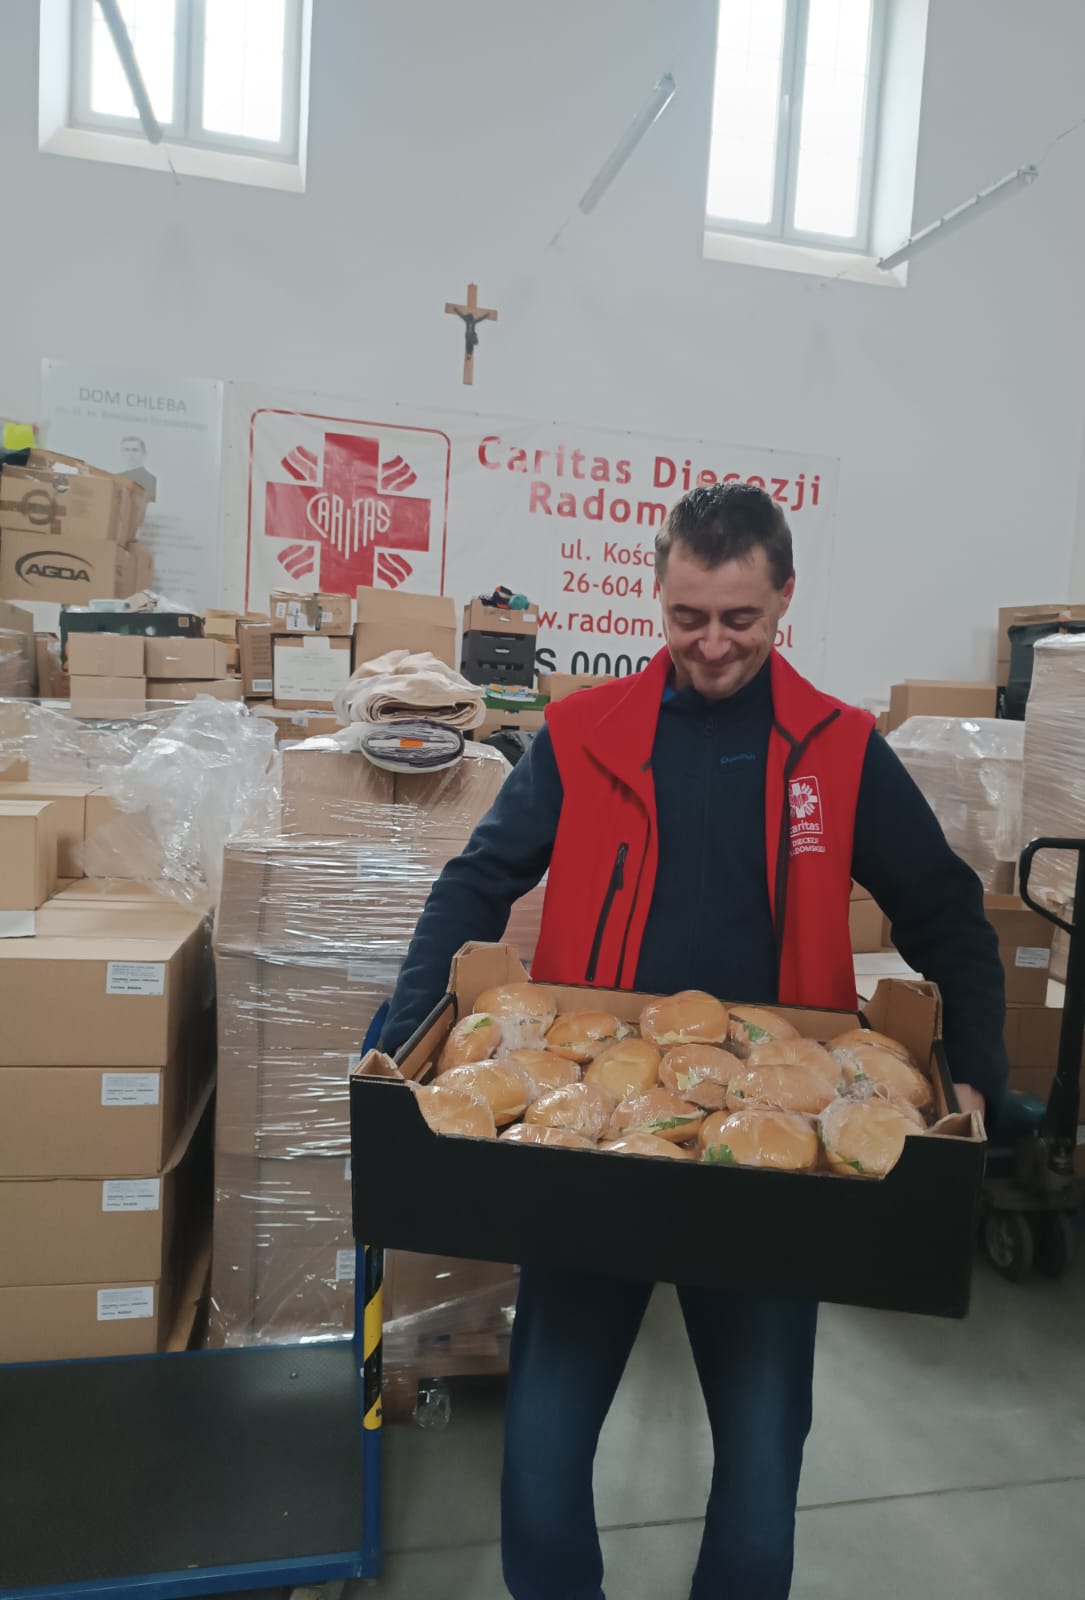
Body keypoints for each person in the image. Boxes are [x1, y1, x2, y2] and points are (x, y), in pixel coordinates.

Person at [378, 483, 1007, 1600]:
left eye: (740, 619)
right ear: (657, 597)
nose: (713, 645)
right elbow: (476, 882)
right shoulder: (584, 735)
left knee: (761, 1463)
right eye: (688, 617)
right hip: (592, 1138)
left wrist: (983, 1081)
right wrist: (399, 1038)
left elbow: (946, 913)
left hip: (775, 1161)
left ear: (785, 598)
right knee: (543, 1449)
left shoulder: (839, 749)